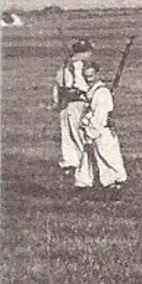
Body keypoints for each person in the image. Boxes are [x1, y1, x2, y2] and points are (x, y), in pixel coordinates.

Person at [75, 60, 128, 200]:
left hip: (102, 133)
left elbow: (99, 117)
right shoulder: (92, 92)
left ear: (97, 74)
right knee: (87, 160)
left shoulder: (101, 93)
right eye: (85, 76)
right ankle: (83, 187)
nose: (88, 79)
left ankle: (115, 190)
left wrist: (91, 133)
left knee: (108, 159)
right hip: (92, 132)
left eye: (91, 76)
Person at [53, 39, 94, 186]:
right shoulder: (77, 66)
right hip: (77, 103)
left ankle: (70, 164)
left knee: (68, 135)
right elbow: (81, 87)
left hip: (65, 105)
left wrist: (57, 103)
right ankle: (81, 167)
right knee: (80, 135)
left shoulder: (64, 66)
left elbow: (57, 87)